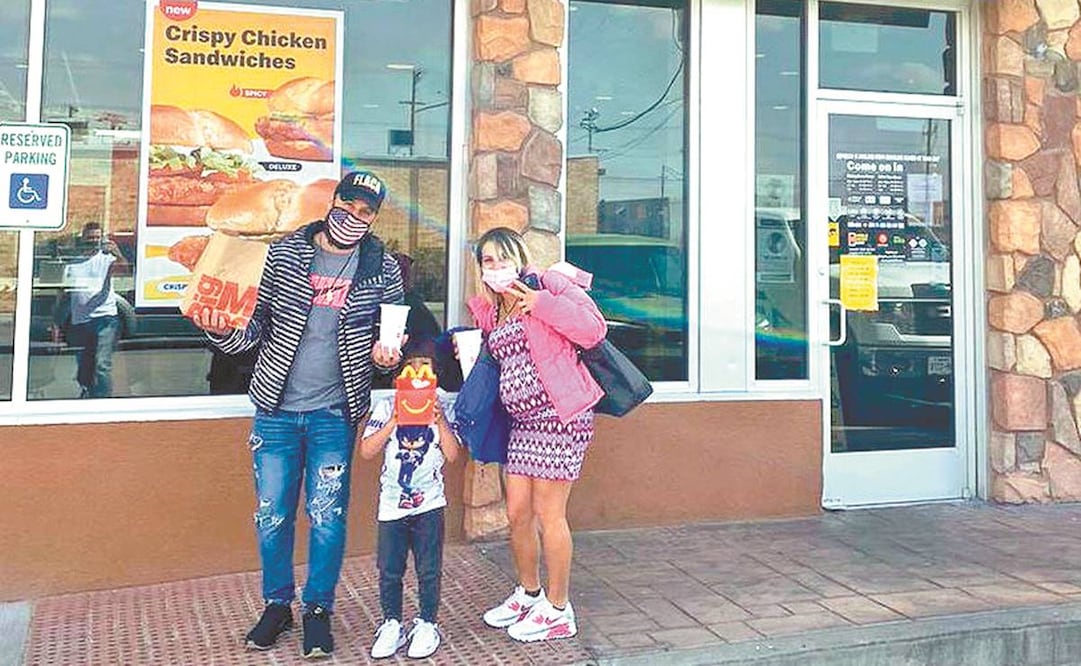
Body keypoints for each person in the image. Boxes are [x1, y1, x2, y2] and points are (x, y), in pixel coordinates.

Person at [187, 170, 405, 659]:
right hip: (276, 410)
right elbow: (255, 328)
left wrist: (385, 360)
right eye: (347, 205)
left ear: (374, 218)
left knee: (327, 517)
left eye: (365, 212)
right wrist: (220, 332)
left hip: (335, 412)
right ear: (333, 202)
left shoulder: (382, 268)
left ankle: (318, 611)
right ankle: (277, 605)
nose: (354, 217)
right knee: (272, 516)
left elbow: (386, 339)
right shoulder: (286, 252)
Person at [466, 227, 606, 642]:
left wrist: (541, 303)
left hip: (560, 419)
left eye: (502, 258)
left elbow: (593, 329)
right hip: (522, 425)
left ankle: (559, 610)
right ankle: (529, 594)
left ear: (519, 257)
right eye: (487, 262)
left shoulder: (550, 284)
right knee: (516, 514)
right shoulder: (493, 310)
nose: (495, 268)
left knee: (549, 514)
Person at [360, 337, 459, 660]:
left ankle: (427, 622)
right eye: (410, 370)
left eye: (425, 371)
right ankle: (391, 623)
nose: (418, 377)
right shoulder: (387, 404)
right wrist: (393, 421)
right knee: (390, 568)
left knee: (429, 568)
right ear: (398, 376)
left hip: (430, 503)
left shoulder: (443, 405)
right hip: (391, 504)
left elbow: (454, 455)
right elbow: (366, 451)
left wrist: (441, 420)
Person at [62, 222, 127, 398]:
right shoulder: (73, 263)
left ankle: (102, 401)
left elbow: (124, 271)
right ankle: (87, 393)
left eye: (97, 238)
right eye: (90, 238)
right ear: (83, 239)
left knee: (101, 364)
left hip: (105, 318)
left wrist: (118, 254)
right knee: (83, 363)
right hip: (80, 320)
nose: (93, 241)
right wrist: (56, 322)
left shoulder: (107, 259)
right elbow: (63, 293)